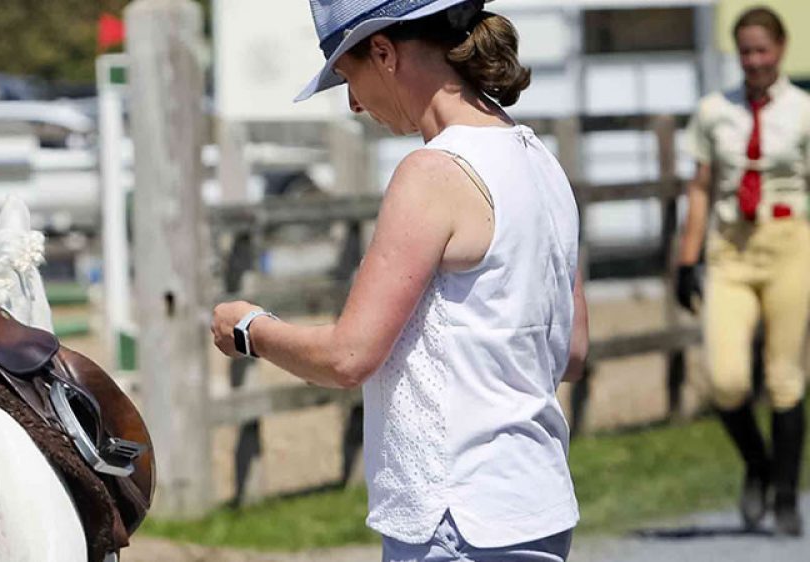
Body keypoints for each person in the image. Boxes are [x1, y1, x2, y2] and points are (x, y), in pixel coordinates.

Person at [210, 1, 585, 560]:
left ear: (383, 51)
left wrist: (250, 328)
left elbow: (348, 356)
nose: (355, 103)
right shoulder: (540, 162)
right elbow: (572, 353)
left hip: (455, 518)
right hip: (535, 506)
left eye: (348, 76)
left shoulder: (433, 173)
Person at [674, 4, 806, 537]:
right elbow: (701, 188)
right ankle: (757, 462)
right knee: (726, 379)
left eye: (762, 50)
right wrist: (687, 260)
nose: (754, 61)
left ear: (780, 50)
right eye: (746, 51)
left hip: (788, 242)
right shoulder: (713, 111)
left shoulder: (802, 110)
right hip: (730, 248)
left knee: (783, 378)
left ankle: (786, 494)